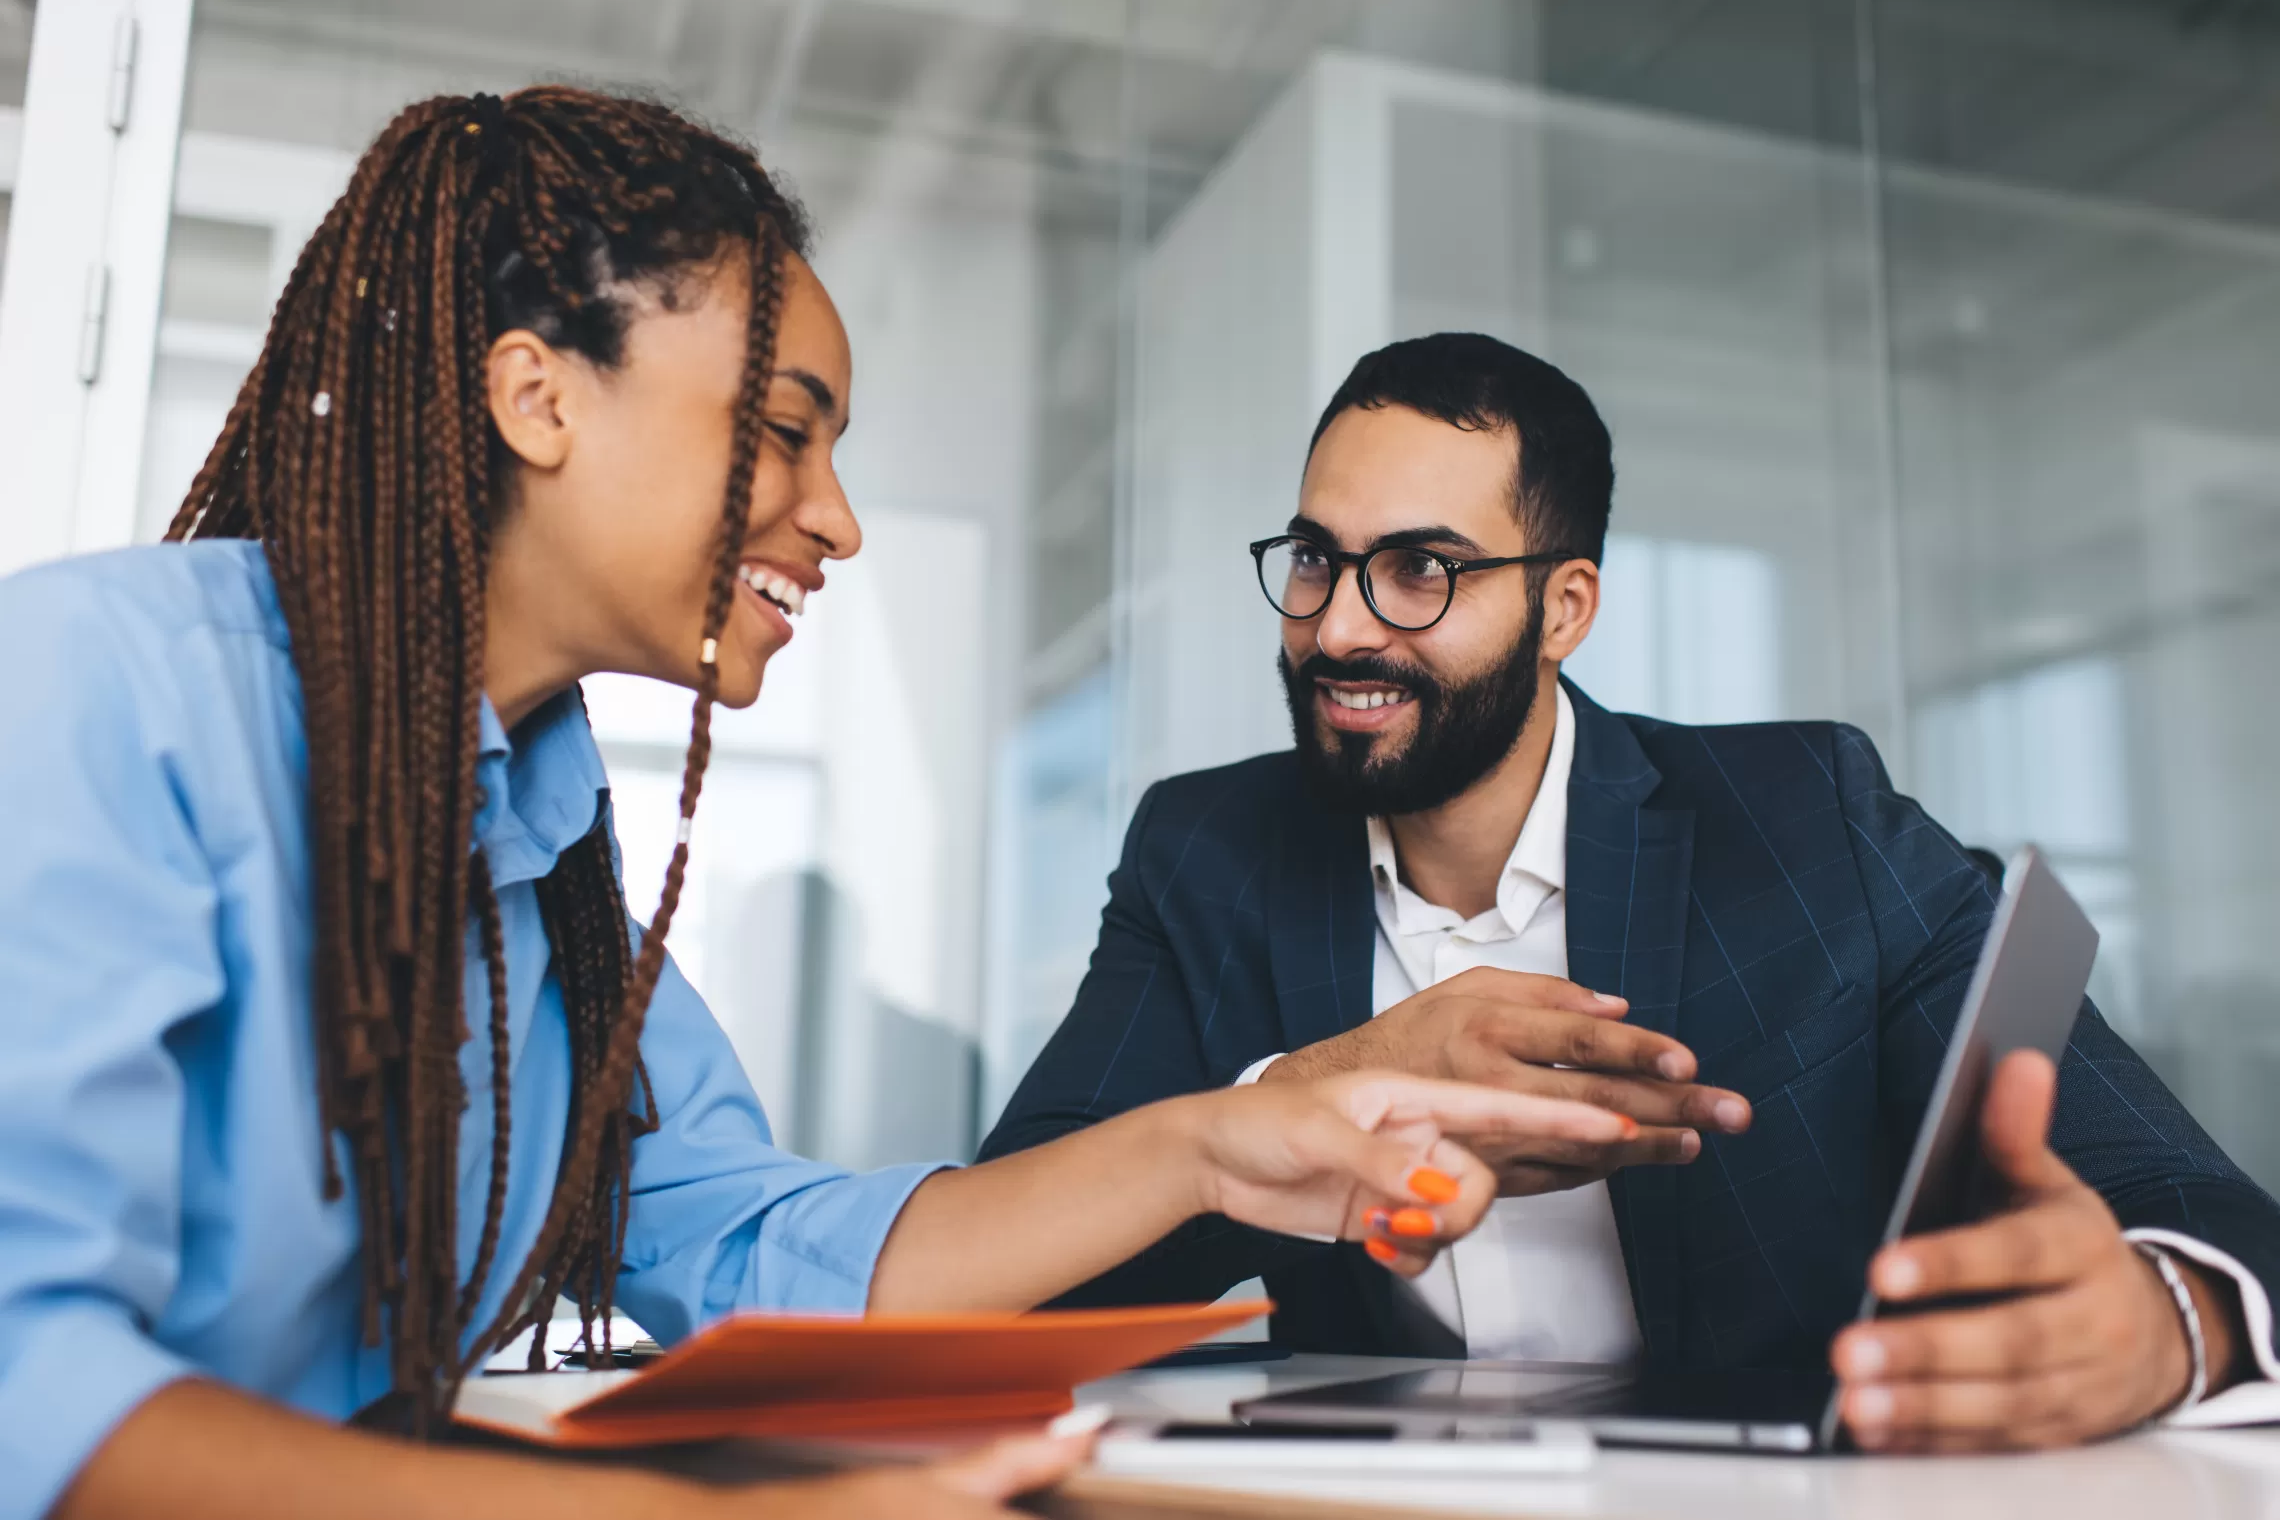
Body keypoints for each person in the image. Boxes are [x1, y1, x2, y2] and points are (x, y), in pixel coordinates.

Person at [0, 96, 1640, 1520]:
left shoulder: (541, 862)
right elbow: (30, 1391)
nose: (837, 521)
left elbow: (780, 1253)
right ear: (537, 396)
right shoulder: (97, 697)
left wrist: (1222, 1139)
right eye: (783, 433)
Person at [982, 331, 2280, 1452]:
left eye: (1423, 569)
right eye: (1318, 558)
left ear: (1566, 608)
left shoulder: (1809, 821)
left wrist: (2170, 1326)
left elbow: (2202, 1207)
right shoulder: (1205, 848)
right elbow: (1006, 1280)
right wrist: (1304, 1092)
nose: (1339, 627)